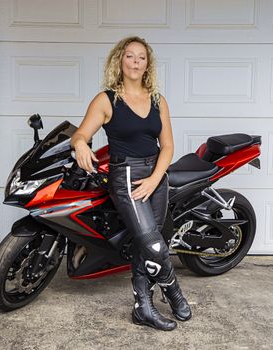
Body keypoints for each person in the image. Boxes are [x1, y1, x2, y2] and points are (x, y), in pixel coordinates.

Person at [70, 36, 191, 331]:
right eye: (130, 57)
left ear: (147, 64)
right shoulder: (106, 100)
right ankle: (173, 291)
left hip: (156, 177)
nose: (135, 62)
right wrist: (81, 145)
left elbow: (168, 146)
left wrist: (154, 179)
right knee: (154, 244)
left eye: (141, 58)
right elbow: (79, 135)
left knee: (144, 243)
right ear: (119, 61)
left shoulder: (157, 99)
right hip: (125, 176)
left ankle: (143, 308)